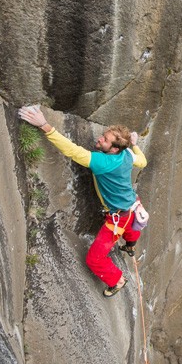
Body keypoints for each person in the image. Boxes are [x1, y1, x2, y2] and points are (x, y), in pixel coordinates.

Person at [16, 103, 147, 298]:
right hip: (132, 205)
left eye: (105, 140)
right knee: (131, 228)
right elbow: (142, 162)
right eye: (104, 135)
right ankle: (130, 245)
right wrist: (134, 144)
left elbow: (72, 151)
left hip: (118, 217)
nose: (100, 139)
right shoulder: (127, 154)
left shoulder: (103, 162)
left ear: (114, 149)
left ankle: (117, 280)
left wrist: (44, 125)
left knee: (94, 259)